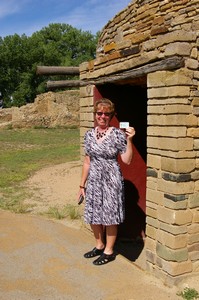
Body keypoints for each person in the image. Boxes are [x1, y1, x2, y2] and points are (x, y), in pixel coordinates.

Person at [78, 98, 135, 266]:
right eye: (99, 113)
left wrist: (130, 140)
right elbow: (87, 161)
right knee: (94, 213)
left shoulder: (117, 134)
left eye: (106, 114)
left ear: (111, 115)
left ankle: (109, 251)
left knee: (110, 216)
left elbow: (127, 160)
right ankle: (99, 245)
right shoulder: (88, 135)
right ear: (95, 114)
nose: (102, 116)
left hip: (111, 180)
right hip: (94, 180)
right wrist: (82, 185)